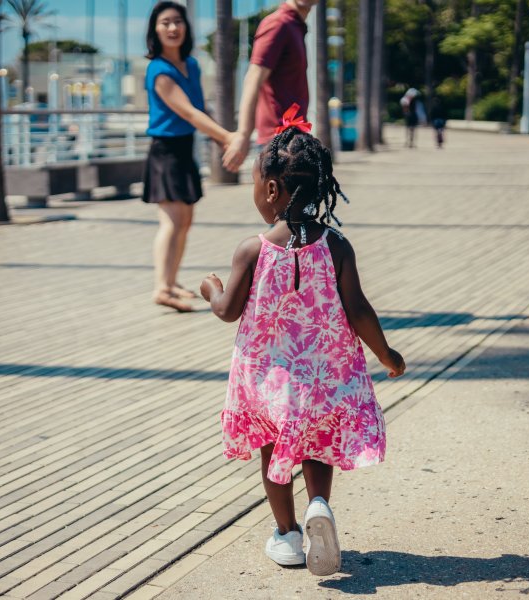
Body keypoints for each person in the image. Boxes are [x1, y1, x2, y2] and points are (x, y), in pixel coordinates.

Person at [200, 123, 406, 575]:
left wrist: (209, 287)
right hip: (323, 380)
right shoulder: (336, 246)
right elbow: (358, 310)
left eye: (255, 184)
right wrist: (387, 355)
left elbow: (227, 310)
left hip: (268, 383)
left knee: (273, 450)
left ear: (271, 188)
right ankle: (319, 506)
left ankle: (288, 535)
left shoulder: (251, 250)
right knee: (315, 446)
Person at [143, 1, 233, 312]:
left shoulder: (191, 65)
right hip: (164, 151)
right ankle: (161, 287)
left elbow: (201, 109)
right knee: (171, 221)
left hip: (184, 149)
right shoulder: (158, 69)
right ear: (155, 30)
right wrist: (226, 137)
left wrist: (221, 140)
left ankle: (171, 281)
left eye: (177, 21)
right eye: (165, 22)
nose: (172, 28)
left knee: (185, 221)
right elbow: (189, 112)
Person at [222, 0, 318, 172]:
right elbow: (253, 78)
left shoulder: (295, 26)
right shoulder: (278, 24)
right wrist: (243, 134)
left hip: (294, 138)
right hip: (278, 143)